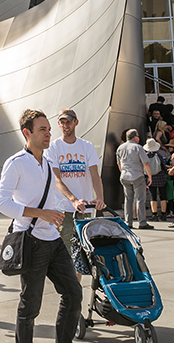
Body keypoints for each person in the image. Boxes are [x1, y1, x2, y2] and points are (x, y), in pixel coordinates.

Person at [0, 109, 82, 343]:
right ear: (27, 132)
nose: (48, 133)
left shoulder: (49, 162)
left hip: (53, 239)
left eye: (49, 129)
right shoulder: (15, 163)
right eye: (42, 129)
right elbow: (1, 203)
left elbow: (50, 194)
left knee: (74, 294)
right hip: (30, 240)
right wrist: (40, 213)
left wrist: (61, 210)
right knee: (30, 305)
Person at [44, 109, 105, 264]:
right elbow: (57, 179)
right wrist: (73, 199)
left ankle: (75, 280)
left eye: (68, 122)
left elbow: (95, 175)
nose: (65, 126)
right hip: (63, 208)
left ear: (76, 122)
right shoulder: (53, 147)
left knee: (81, 252)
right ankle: (68, 279)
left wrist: (99, 198)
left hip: (84, 208)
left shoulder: (86, 146)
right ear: (58, 124)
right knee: (66, 250)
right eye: (62, 122)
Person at [116, 129, 153, 230]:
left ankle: (128, 222)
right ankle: (142, 222)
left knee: (128, 199)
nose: (139, 138)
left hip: (125, 176)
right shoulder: (138, 147)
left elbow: (119, 163)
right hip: (137, 175)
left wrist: (122, 172)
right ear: (134, 137)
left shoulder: (120, 148)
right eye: (138, 136)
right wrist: (149, 176)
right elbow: (146, 163)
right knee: (140, 199)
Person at [143, 138, 170, 221]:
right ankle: (163, 214)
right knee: (163, 196)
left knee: (153, 196)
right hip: (160, 177)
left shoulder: (145, 156)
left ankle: (154, 215)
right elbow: (163, 166)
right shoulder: (158, 155)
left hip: (150, 178)